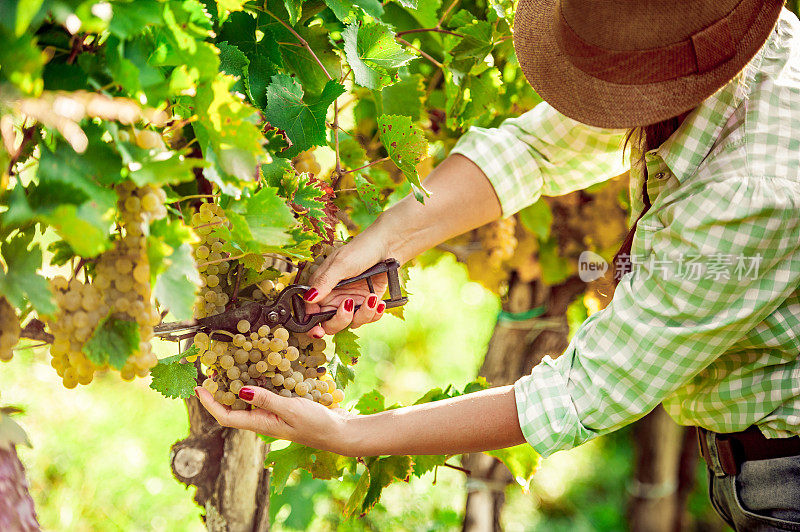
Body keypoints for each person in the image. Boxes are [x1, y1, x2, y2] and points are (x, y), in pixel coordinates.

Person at [197, 1, 800, 529]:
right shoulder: (723, 42)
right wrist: (387, 241)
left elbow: (583, 392)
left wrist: (351, 435)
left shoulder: (753, 188)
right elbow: (536, 149)